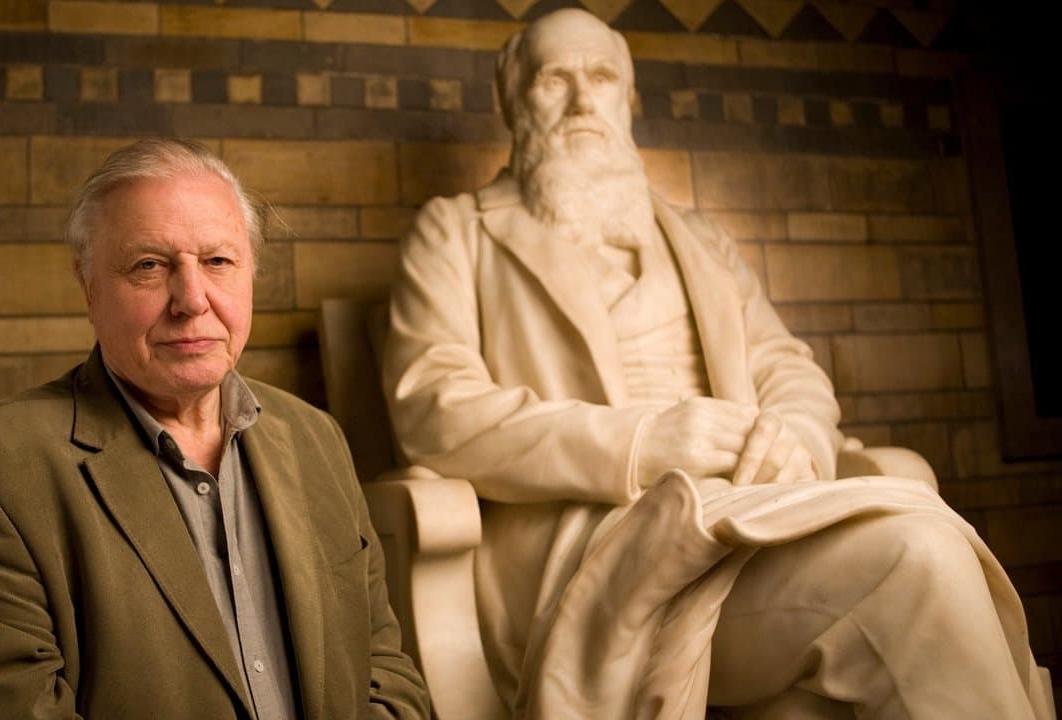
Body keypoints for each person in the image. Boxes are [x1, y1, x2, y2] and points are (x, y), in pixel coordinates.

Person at [382, 9, 1053, 719]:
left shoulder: (701, 238)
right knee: (919, 555)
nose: (582, 100)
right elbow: (433, 406)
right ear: (513, 100)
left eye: (601, 77)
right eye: (555, 79)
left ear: (627, 98)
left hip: (755, 514)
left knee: (926, 557)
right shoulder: (455, 232)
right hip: (594, 543)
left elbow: (788, 369)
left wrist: (793, 438)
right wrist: (642, 442)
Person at [0, 139, 430, 719]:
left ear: (251, 276)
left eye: (218, 261)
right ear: (90, 288)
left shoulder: (316, 437)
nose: (192, 300)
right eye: (149, 266)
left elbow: (385, 672)